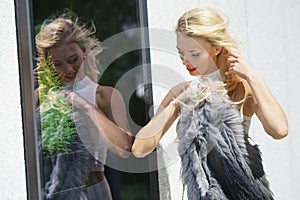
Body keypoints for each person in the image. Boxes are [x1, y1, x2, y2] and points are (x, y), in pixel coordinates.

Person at [132, 7, 288, 199]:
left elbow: (279, 129)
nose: (185, 60)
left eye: (194, 53)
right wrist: (177, 103)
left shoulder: (240, 87)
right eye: (181, 52)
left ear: (217, 47)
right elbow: (139, 148)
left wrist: (253, 75)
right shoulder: (183, 92)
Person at [35, 11, 133, 200]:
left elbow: (124, 148)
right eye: (58, 64)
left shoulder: (103, 95)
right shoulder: (42, 97)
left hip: (92, 191)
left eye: (74, 60)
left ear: (84, 53)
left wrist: (87, 107)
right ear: (48, 64)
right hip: (51, 193)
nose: (69, 69)